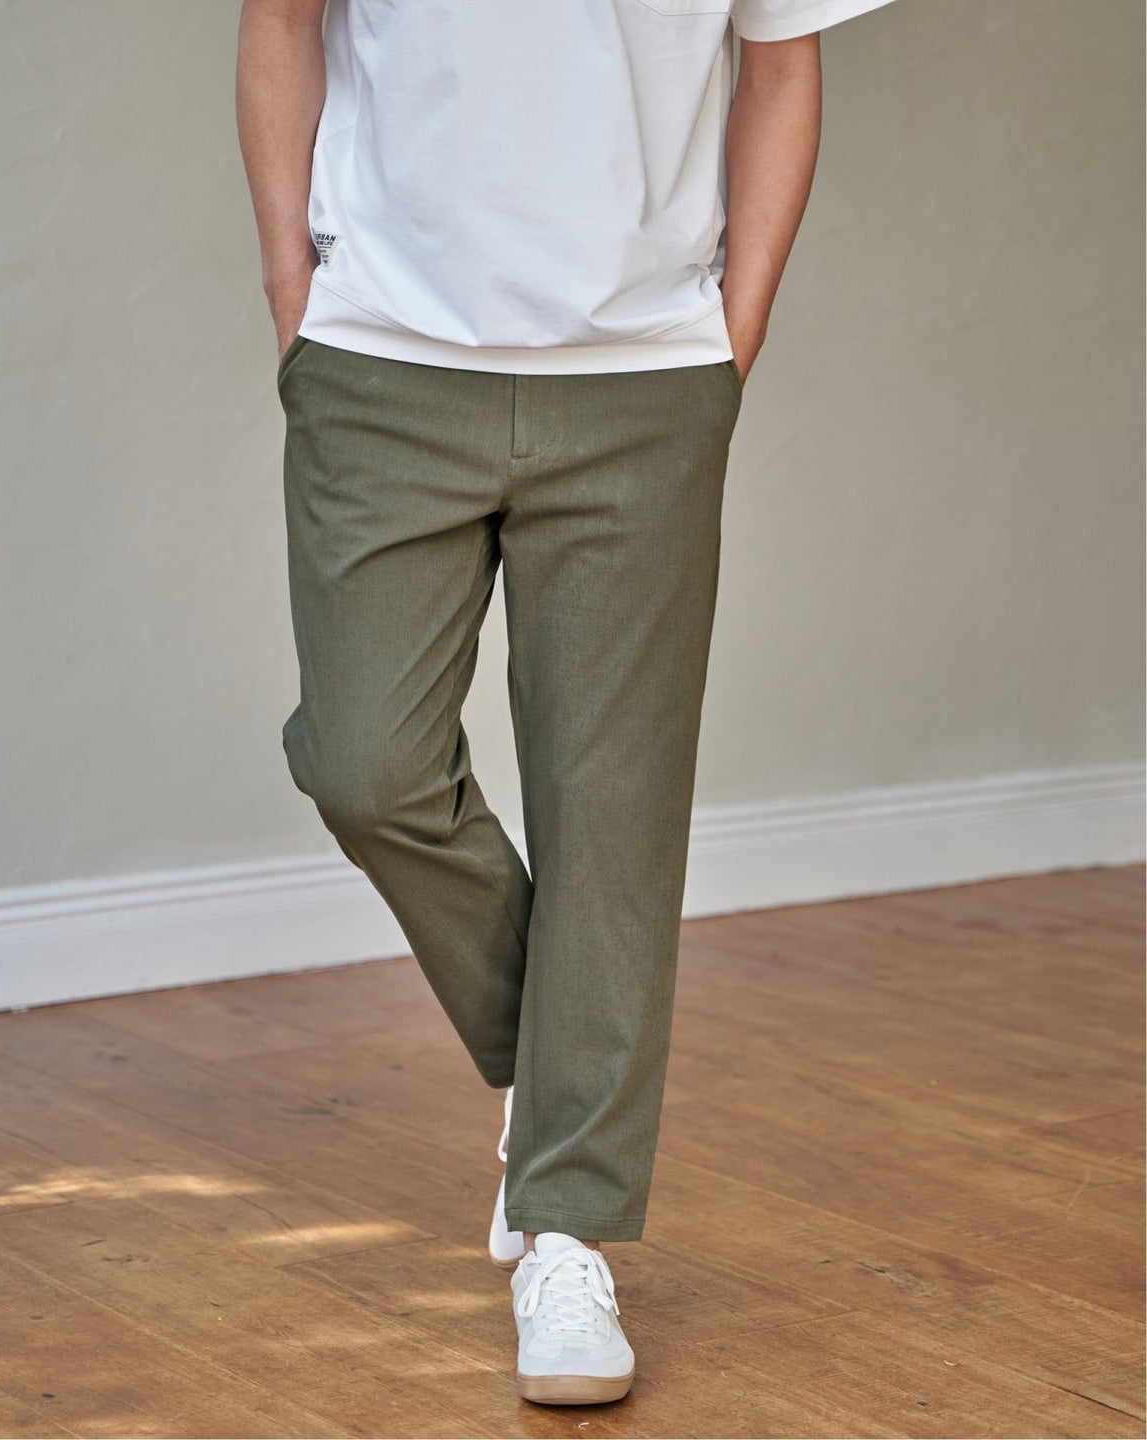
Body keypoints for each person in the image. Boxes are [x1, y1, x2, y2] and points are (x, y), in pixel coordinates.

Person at [236, 0, 895, 1407]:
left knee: (614, 817)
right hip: (381, 359)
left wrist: (729, 345)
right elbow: (280, 19)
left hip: (645, 381)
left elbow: (781, 64)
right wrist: (295, 292)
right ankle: (557, 1079)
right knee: (364, 762)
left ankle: (569, 1231)